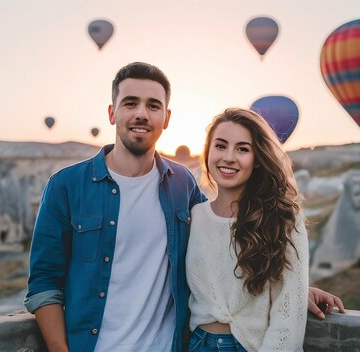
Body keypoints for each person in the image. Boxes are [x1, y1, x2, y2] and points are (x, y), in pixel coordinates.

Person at [25, 62, 343, 352]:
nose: (141, 114)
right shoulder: (66, 186)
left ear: (167, 118)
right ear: (112, 113)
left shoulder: (181, 185)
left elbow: (229, 241)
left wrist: (293, 288)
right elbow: (43, 281)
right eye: (130, 103)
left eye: (153, 105)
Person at [186, 108, 341, 352]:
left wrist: (299, 291)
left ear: (257, 159)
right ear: (207, 152)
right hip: (196, 344)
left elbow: (287, 317)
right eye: (220, 146)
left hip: (250, 346)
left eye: (242, 149)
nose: (229, 157)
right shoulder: (193, 216)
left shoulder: (283, 219)